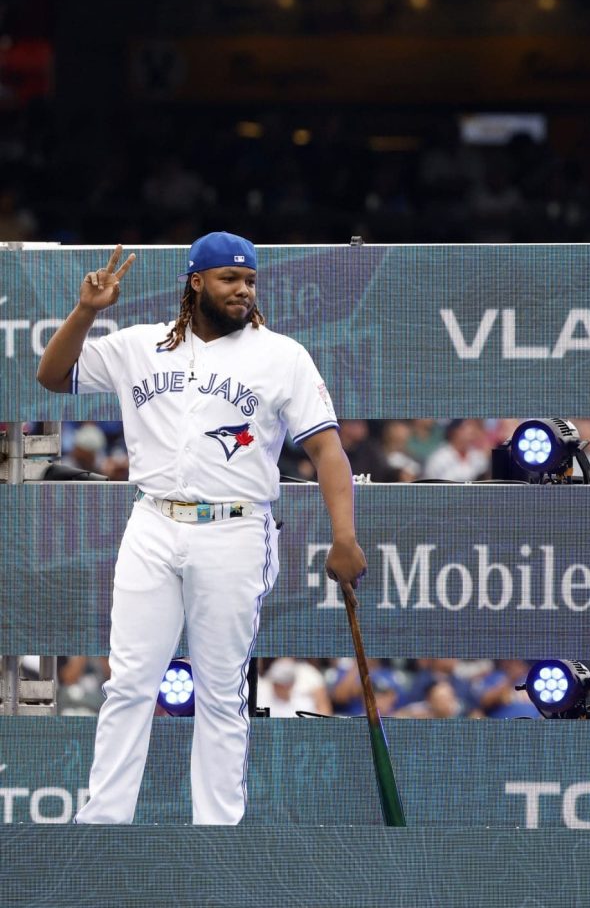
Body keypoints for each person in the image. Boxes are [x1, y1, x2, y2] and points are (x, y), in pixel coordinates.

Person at [35, 234, 367, 825]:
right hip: (153, 521)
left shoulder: (281, 355)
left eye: (250, 281)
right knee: (129, 682)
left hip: (234, 529)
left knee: (219, 690)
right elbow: (53, 376)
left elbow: (328, 450)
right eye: (228, 280)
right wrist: (86, 311)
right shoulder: (139, 346)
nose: (243, 291)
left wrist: (344, 534)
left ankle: (217, 830)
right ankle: (102, 824)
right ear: (195, 283)